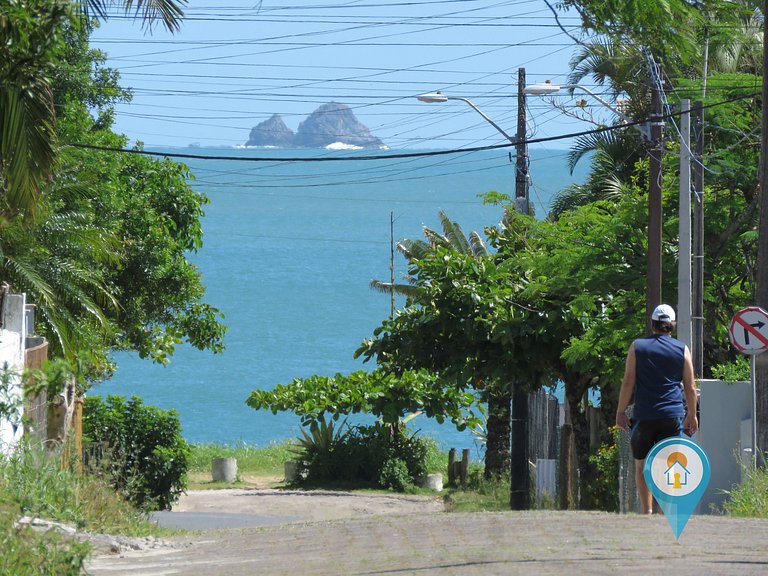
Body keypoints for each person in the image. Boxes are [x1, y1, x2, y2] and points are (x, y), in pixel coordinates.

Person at [615, 304, 698, 514]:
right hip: (672, 416)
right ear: (672, 325)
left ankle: (647, 511)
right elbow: (690, 386)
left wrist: (620, 411)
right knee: (668, 464)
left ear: (652, 324)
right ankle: (664, 510)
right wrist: (692, 414)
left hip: (644, 415)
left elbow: (628, 382)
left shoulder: (637, 347)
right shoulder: (682, 349)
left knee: (642, 465)